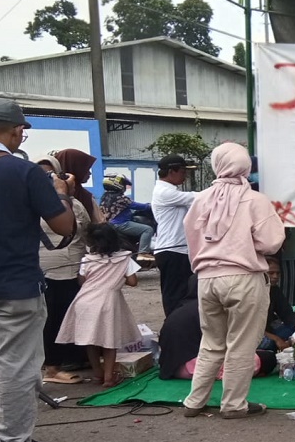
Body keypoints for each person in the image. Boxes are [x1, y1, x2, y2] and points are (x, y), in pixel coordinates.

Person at [0, 98, 75, 442]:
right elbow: (63, 228)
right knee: (15, 363)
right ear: (16, 131)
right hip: (15, 285)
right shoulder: (24, 172)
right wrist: (61, 193)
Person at [182, 142, 285, 419]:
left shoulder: (201, 199)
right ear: (245, 166)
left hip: (207, 279)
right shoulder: (254, 199)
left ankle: (194, 402)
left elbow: (191, 241)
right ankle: (233, 404)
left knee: (211, 343)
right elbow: (272, 243)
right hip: (244, 278)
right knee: (241, 344)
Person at [56, 223, 141, 387]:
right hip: (108, 302)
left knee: (90, 340)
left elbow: (82, 281)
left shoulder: (86, 260)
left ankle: (97, 374)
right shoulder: (124, 259)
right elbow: (133, 282)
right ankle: (109, 378)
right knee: (110, 342)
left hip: (85, 301)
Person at [37, 155, 93, 383]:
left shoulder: (75, 204)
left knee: (73, 316)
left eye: (52, 174)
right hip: (48, 271)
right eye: (41, 175)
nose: (47, 179)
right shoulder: (33, 202)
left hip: (75, 271)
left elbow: (89, 232)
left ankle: (72, 357)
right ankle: (51, 367)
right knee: (52, 319)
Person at [158, 276, 277, 380]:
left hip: (170, 368)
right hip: (194, 367)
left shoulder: (180, 309)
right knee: (267, 358)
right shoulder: (208, 309)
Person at [152, 153, 197, 316]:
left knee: (185, 293)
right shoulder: (164, 192)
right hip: (172, 250)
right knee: (174, 296)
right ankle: (172, 330)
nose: (185, 175)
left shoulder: (169, 191)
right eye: (183, 171)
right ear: (172, 171)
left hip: (179, 250)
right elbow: (196, 198)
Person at [100, 175, 154, 260]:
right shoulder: (121, 198)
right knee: (148, 229)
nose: (125, 187)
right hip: (120, 224)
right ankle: (143, 253)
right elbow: (138, 206)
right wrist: (152, 205)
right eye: (124, 184)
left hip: (109, 224)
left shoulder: (104, 197)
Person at [262, 256, 295, 351]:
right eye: (271, 273)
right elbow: (251, 327)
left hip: (270, 327)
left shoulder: (274, 290)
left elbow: (286, 313)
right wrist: (276, 339)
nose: (275, 276)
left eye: (278, 273)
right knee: (268, 344)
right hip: (254, 333)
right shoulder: (252, 293)